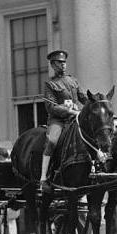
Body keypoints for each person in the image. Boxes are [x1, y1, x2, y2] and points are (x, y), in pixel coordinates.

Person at [40, 50, 87, 193]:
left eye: (64, 62)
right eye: (60, 62)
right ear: (53, 65)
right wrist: (69, 111)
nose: (63, 65)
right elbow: (51, 106)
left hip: (75, 118)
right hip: (58, 120)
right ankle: (43, 178)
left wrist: (96, 103)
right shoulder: (50, 84)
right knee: (52, 141)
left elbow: (83, 98)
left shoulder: (73, 81)